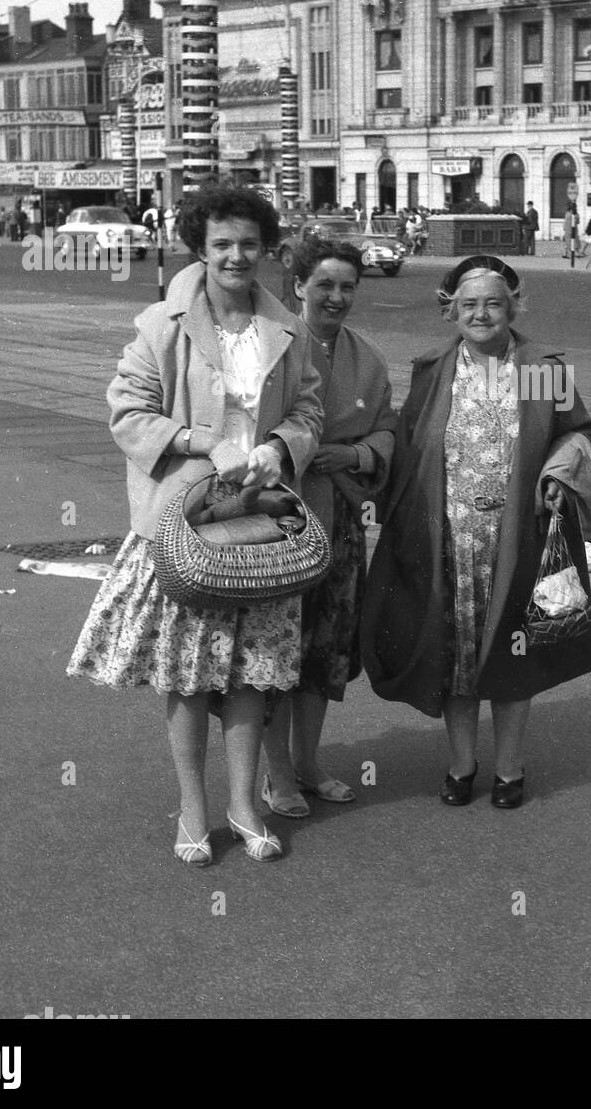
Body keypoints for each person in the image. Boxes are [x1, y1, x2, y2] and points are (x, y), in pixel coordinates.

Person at [66, 182, 324, 866]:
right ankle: (193, 806)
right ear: (200, 249)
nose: (236, 256)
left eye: (248, 243)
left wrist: (279, 447)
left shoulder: (285, 328)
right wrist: (203, 441)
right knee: (188, 672)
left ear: (265, 249)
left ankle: (243, 803)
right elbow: (127, 412)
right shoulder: (162, 322)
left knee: (250, 670)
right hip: (186, 522)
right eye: (221, 244)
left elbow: (308, 411)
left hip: (260, 524)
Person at [361, 256, 591, 810]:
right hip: (448, 542)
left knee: (514, 657)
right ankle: (462, 765)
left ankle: (511, 771)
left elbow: (579, 432)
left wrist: (560, 471)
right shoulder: (433, 371)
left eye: (494, 302)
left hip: (520, 538)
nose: (482, 313)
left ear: (513, 305)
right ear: (451, 311)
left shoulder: (542, 367)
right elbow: (407, 445)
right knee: (455, 656)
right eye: (469, 304)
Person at [259, 235, 396, 815]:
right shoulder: (274, 346)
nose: (336, 297)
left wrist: (359, 457)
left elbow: (388, 429)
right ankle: (278, 774)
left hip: (340, 522)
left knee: (324, 651)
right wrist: (304, 451)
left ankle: (310, 762)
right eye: (324, 286)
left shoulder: (367, 356)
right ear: (298, 287)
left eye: (347, 287)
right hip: (282, 522)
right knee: (278, 649)